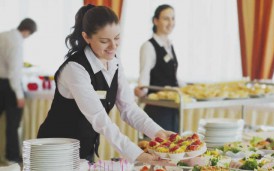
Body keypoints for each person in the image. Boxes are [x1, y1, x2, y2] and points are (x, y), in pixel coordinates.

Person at [37, 5, 174, 165]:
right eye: (104, 41)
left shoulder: (114, 62)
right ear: (87, 37)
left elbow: (129, 108)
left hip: (84, 150)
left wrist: (159, 133)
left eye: (117, 38)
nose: (113, 46)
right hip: (53, 152)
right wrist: (136, 154)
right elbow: (100, 119)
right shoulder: (75, 68)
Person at [135, 4, 182, 133]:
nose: (171, 22)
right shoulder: (148, 46)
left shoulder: (169, 45)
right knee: (157, 150)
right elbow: (144, 78)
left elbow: (172, 76)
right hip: (157, 111)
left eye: (173, 18)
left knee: (174, 150)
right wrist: (141, 90)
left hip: (172, 108)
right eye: (166, 19)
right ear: (155, 21)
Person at [0, 18, 37, 163]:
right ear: (27, 31)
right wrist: (19, 95)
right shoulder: (17, 43)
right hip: (10, 86)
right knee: (13, 124)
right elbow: (14, 72)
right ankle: (13, 156)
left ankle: (11, 155)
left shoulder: (3, 35)